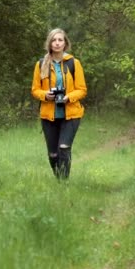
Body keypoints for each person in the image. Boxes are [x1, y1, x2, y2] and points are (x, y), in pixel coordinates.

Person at [31, 28, 87, 179]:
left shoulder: (74, 63)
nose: (57, 43)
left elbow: (82, 90)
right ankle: (59, 181)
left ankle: (64, 183)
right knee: (53, 154)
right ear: (49, 43)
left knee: (63, 148)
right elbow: (35, 90)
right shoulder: (41, 64)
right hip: (49, 115)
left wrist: (68, 97)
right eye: (54, 40)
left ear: (65, 43)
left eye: (60, 40)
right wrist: (45, 95)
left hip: (71, 113)